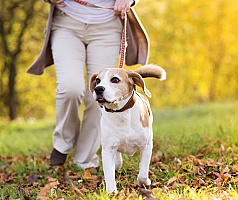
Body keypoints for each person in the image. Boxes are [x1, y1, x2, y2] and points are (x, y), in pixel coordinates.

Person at [27, 0, 149, 169]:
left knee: (102, 96)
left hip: (107, 24)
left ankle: (85, 158)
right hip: (66, 22)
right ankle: (64, 141)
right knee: (70, 87)